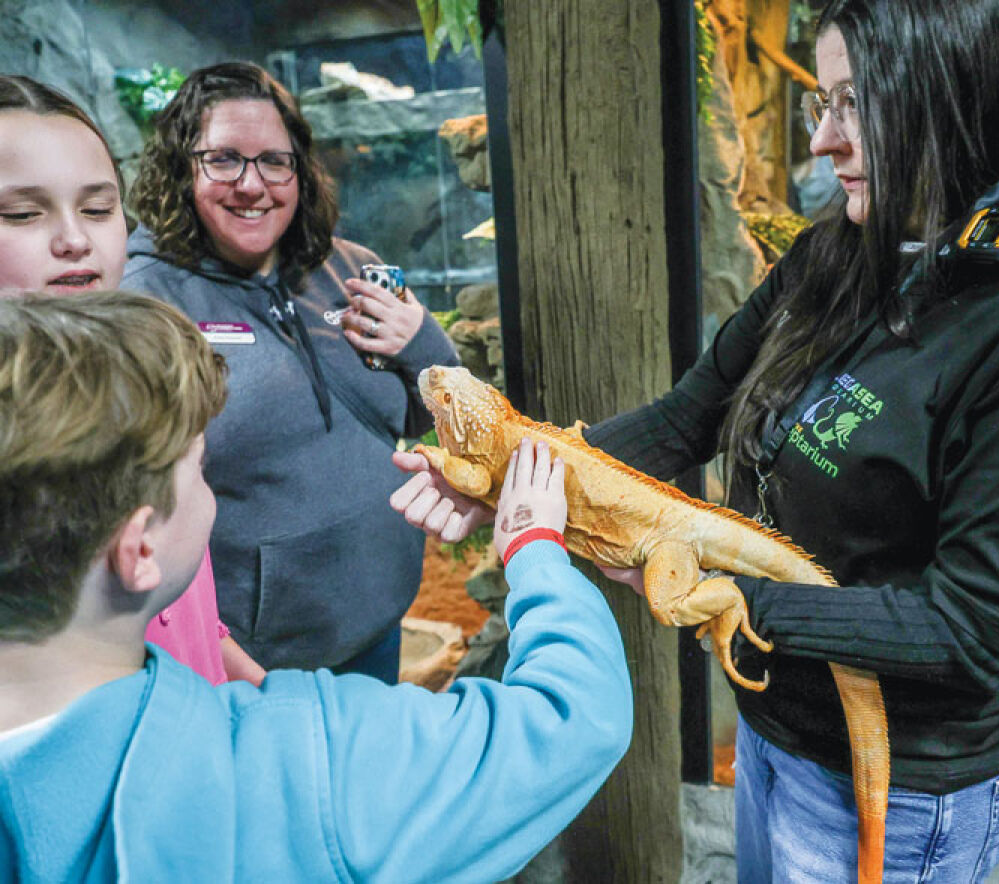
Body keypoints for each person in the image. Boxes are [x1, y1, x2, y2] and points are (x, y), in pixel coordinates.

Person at [394, 1, 999, 880]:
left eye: (856, 104)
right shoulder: (836, 254)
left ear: (955, 100)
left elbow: (977, 631)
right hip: (774, 719)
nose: (823, 140)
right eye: (823, 102)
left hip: (910, 782)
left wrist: (722, 593)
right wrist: (513, 480)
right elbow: (687, 418)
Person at [0, 290, 632, 881]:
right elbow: (573, 718)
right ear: (140, 548)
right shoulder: (314, 762)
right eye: (199, 466)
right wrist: (533, 546)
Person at [122, 62, 461, 682]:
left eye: (274, 162)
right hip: (258, 656)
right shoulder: (145, 301)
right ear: (181, 168)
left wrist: (421, 341)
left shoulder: (350, 269)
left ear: (299, 171)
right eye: (224, 160)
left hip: (379, 612)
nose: (252, 185)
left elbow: (429, 414)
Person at [0, 73, 262, 686]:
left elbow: (184, 616)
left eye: (98, 208)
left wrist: (259, 692)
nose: (75, 240)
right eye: (22, 213)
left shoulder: (142, 378)